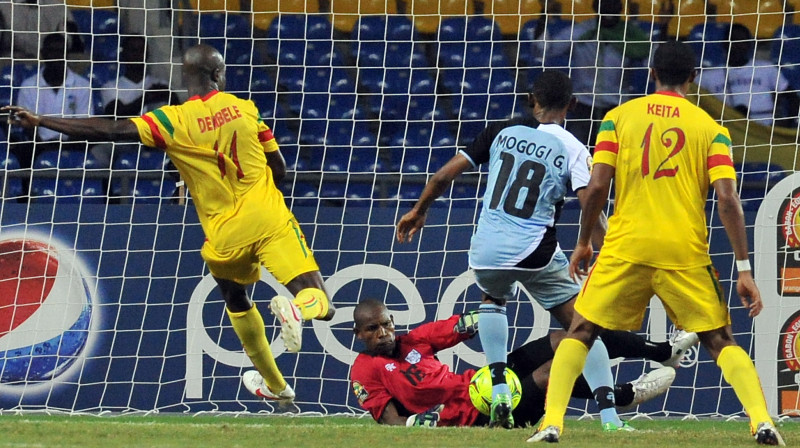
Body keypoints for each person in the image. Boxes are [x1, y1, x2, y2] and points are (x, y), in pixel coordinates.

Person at [3, 44, 335, 403]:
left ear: (184, 78)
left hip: (223, 233)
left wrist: (41, 120)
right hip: (269, 218)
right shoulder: (246, 109)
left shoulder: (171, 120)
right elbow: (280, 170)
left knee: (235, 296)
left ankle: (276, 386)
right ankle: (297, 311)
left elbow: (112, 130)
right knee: (321, 302)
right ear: (219, 75)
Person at [528, 41, 785, 446]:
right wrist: (744, 269)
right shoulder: (711, 129)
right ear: (693, 78)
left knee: (581, 330)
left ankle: (552, 423)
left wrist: (582, 241)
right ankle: (762, 422)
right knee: (719, 340)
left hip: (626, 245)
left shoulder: (618, 118)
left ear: (651, 74)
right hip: (683, 250)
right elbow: (727, 199)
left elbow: (596, 186)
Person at [396, 70, 684, 430]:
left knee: (493, 300)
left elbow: (442, 177)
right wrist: (596, 246)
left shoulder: (500, 131)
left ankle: (499, 388)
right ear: (572, 104)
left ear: (531, 100)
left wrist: (419, 209)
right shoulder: (573, 146)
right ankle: (610, 416)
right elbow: (590, 200)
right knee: (582, 326)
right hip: (534, 249)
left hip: (486, 247)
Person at [350, 299, 681, 428]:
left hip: (481, 384)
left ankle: (661, 349)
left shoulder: (414, 341)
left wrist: (490, 304)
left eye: (386, 324)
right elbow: (389, 420)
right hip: (471, 415)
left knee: (568, 336)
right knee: (552, 369)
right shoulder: (364, 370)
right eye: (372, 329)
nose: (382, 333)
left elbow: (463, 323)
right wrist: (426, 426)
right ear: (359, 334)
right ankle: (621, 396)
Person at [539, 0, 654, 147]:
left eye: (613, 11)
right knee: (575, 153)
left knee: (617, 156)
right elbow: (544, 50)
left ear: (620, 11)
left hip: (616, 107)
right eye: (605, 10)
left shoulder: (631, 35)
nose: (609, 16)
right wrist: (543, 14)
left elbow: (652, 63)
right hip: (584, 106)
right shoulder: (581, 31)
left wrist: (663, 27)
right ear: (596, 9)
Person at [15, 33, 93, 168]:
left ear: (67, 55)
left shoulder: (82, 85)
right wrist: (43, 148)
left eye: (60, 52)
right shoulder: (28, 86)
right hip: (38, 146)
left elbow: (83, 125)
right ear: (43, 54)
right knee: (23, 153)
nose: (56, 56)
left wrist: (66, 147)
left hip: (73, 145)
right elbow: (27, 125)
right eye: (51, 51)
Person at [696, 23, 796, 128]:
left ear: (749, 44)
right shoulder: (707, 76)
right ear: (725, 44)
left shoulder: (766, 68)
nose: (738, 45)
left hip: (764, 130)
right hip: (728, 129)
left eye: (742, 41)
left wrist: (786, 124)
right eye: (734, 41)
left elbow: (792, 97)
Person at [100, 35, 176, 118]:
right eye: (133, 50)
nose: (137, 55)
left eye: (142, 50)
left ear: (147, 54)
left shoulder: (162, 85)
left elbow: (176, 114)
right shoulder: (110, 87)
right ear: (123, 54)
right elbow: (116, 115)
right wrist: (147, 97)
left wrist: (171, 95)